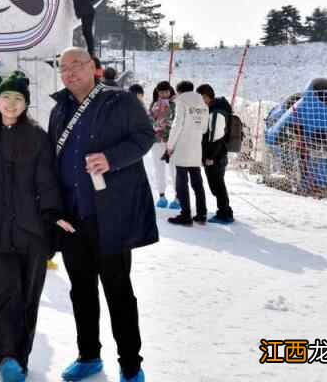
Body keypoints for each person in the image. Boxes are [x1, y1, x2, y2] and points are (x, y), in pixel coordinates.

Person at [0, 71, 73, 381]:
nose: (11, 103)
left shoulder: (37, 137)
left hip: (32, 231)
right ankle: (6, 357)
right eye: (6, 97)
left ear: (25, 104)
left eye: (18, 99)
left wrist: (53, 214)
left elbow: (47, 180)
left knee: (28, 298)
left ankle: (21, 355)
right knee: (4, 295)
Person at [48, 48, 156, 382]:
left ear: (94, 68)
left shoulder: (119, 101)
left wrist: (112, 158)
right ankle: (88, 356)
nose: (69, 73)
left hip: (110, 216)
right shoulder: (59, 109)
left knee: (118, 290)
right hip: (73, 218)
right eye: (63, 68)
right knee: (80, 290)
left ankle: (130, 363)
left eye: (76, 65)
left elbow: (145, 137)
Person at [164, 80, 209, 226]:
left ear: (179, 91)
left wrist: (170, 147)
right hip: (196, 146)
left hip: (183, 145)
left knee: (181, 182)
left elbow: (177, 125)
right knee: (197, 181)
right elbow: (204, 128)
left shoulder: (181, 101)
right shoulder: (203, 103)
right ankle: (202, 214)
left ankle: (185, 215)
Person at [197, 84, 235, 224]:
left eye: (201, 98)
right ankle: (225, 211)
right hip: (218, 154)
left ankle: (224, 213)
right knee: (217, 184)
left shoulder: (216, 112)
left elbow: (216, 137)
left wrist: (210, 157)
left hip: (216, 155)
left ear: (207, 96)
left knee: (217, 185)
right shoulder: (215, 109)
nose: (201, 101)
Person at [149, 81, 178, 209]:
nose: (164, 94)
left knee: (174, 169)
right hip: (157, 141)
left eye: (166, 91)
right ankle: (162, 196)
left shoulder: (176, 104)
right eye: (161, 91)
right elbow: (150, 121)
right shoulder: (154, 104)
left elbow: (176, 122)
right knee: (158, 169)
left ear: (170, 91)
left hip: (171, 141)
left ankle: (178, 197)